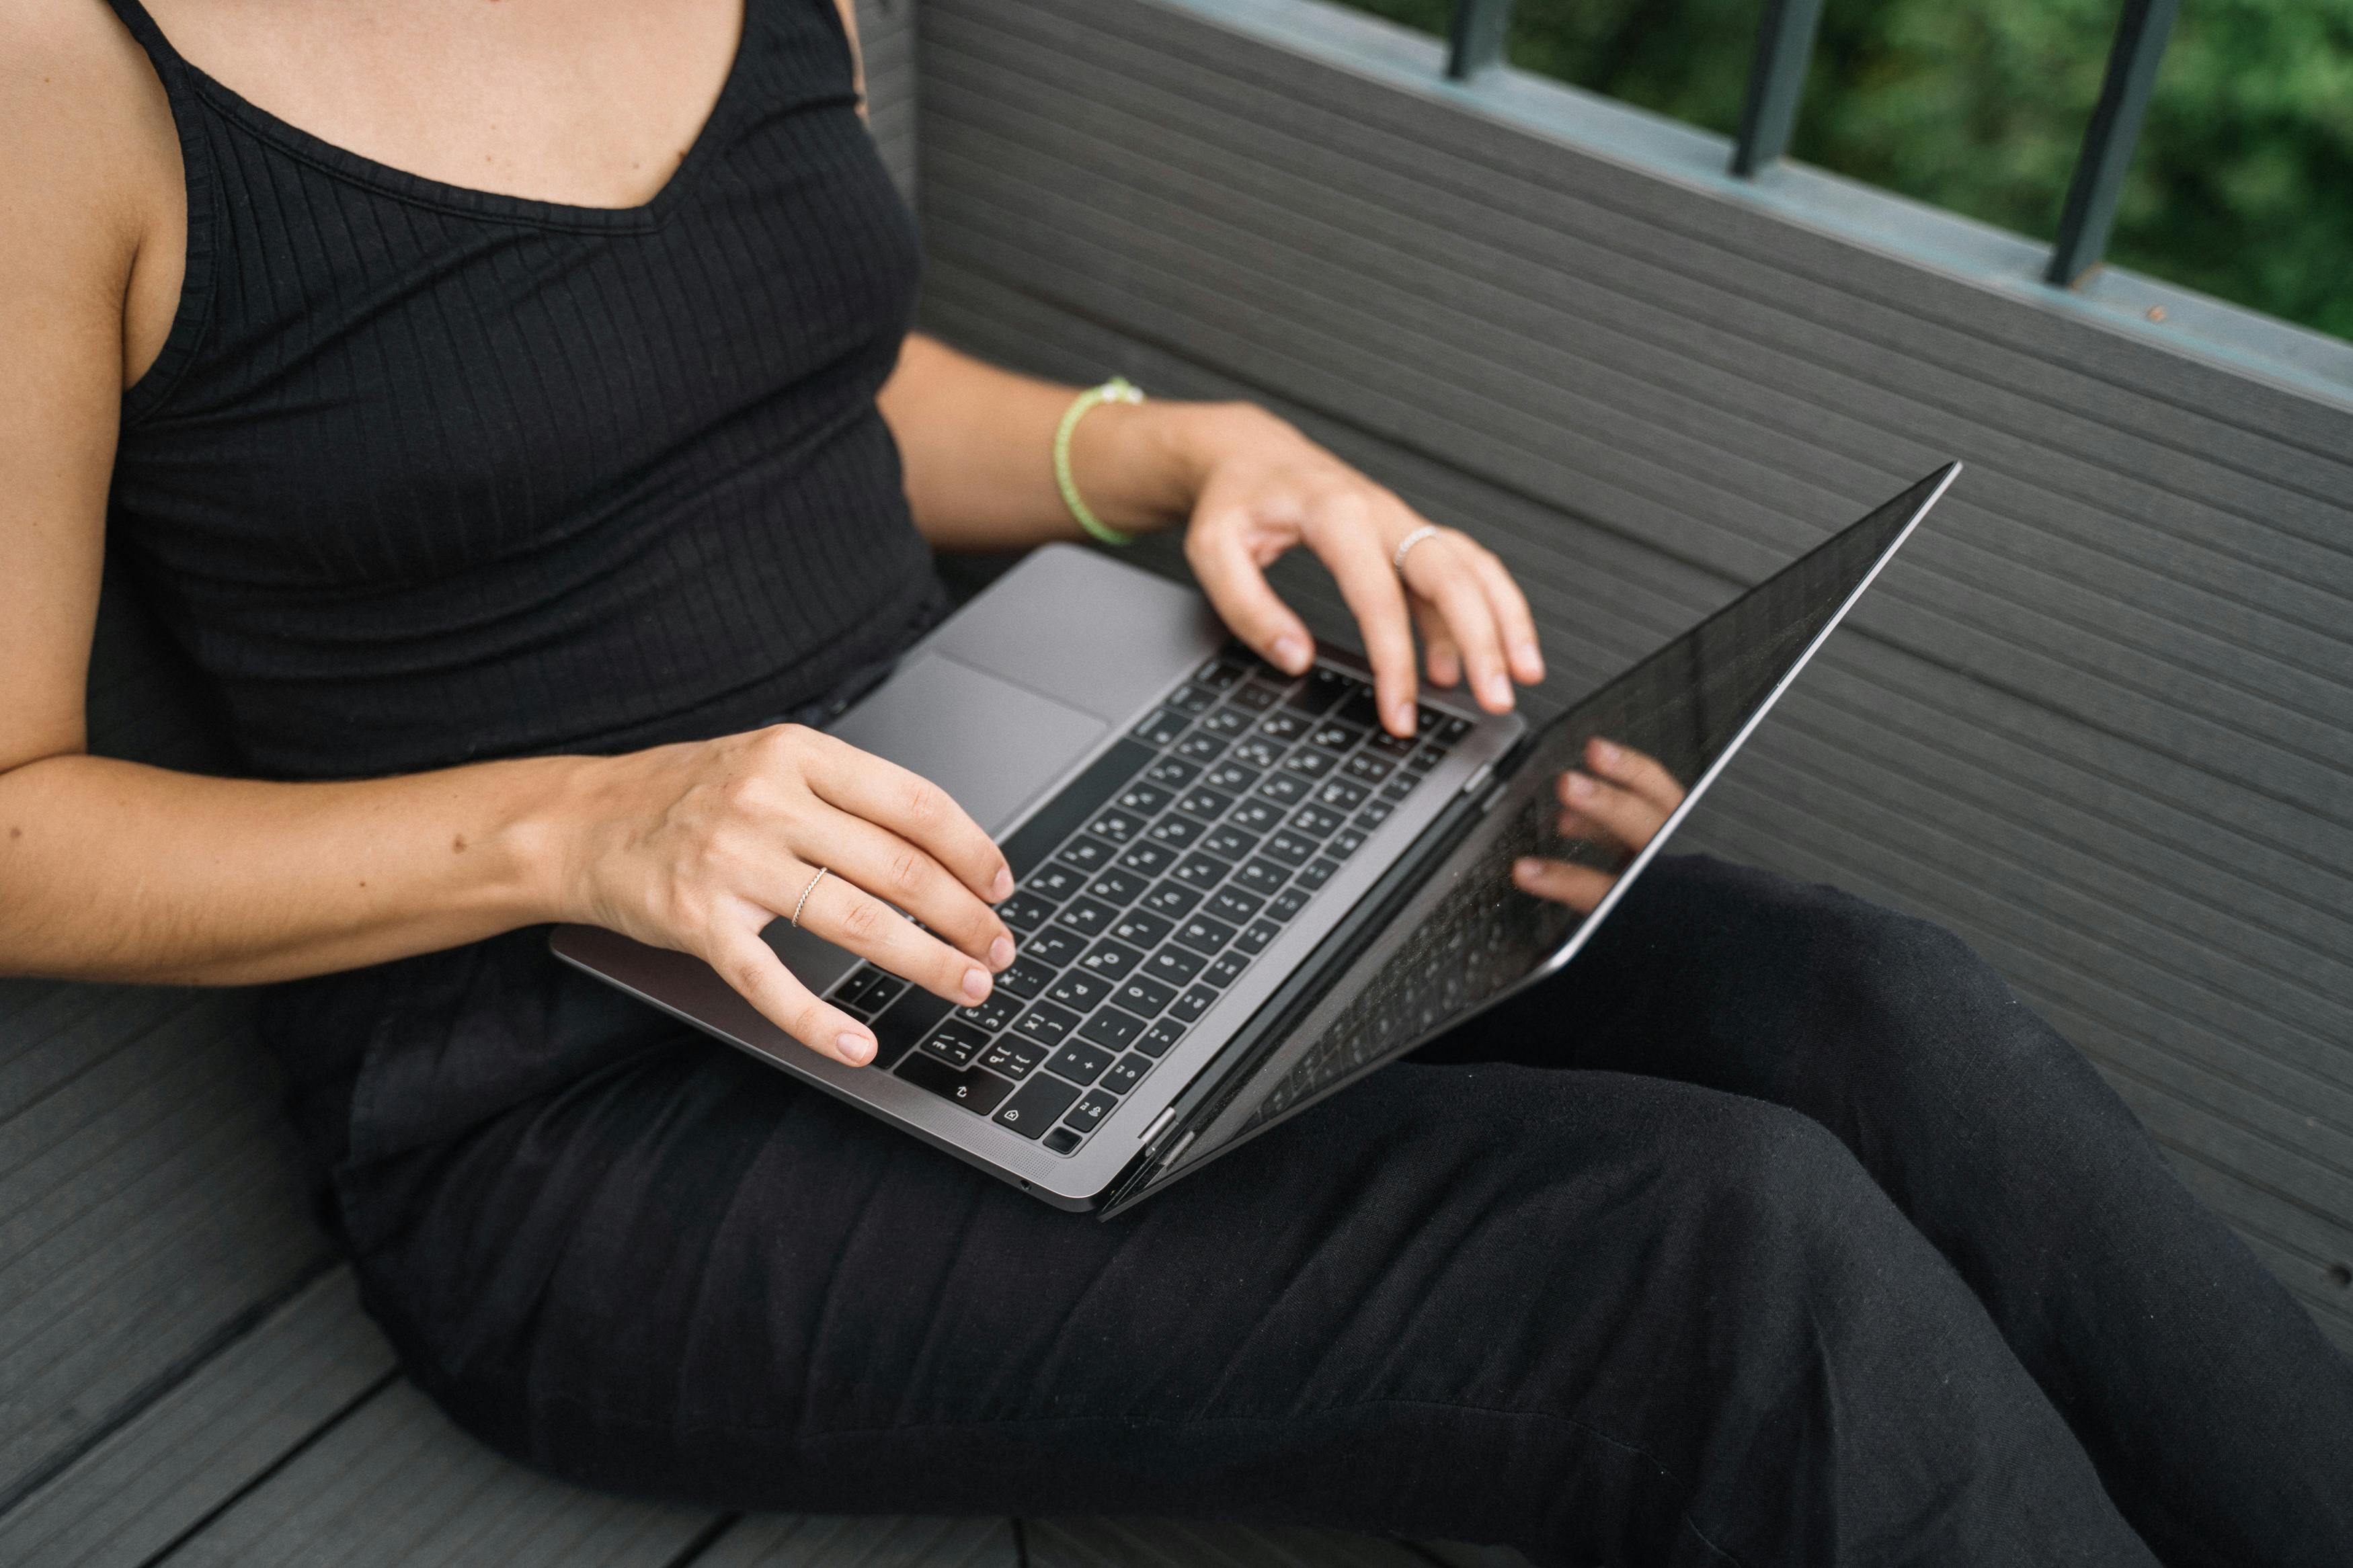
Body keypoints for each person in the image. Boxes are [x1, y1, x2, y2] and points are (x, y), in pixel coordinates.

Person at [3, 1, 2347, 1563]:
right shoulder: (56, 81)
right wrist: (590, 824)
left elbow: (755, 369)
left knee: (1874, 1011)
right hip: (571, 1102)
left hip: (1013, 828)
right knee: (1717, 1250)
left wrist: (1160, 453)